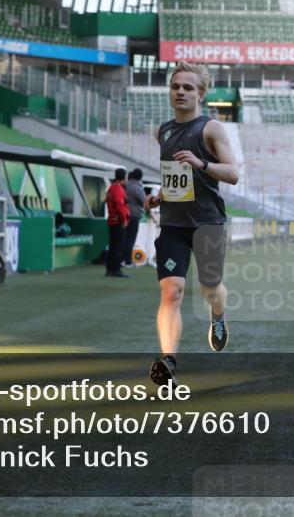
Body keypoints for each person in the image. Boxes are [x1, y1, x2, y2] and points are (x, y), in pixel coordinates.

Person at [145, 61, 239, 386]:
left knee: (210, 288)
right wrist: (159, 195)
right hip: (173, 225)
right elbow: (175, 177)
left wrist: (202, 163)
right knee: (172, 290)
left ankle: (218, 315)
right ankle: (168, 362)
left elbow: (233, 173)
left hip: (208, 223)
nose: (180, 92)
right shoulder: (163, 131)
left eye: (187, 87)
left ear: (200, 93)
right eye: (175, 86)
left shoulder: (210, 129)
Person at [105, 168, 129, 278]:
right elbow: (120, 205)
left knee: (112, 246)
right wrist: (124, 219)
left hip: (112, 220)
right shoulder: (118, 189)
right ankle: (115, 269)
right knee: (118, 246)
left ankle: (110, 269)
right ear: (124, 177)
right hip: (118, 221)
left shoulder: (111, 188)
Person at [123, 168, 146, 267]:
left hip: (123, 215)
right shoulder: (137, 187)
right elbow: (143, 201)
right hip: (134, 215)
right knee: (130, 238)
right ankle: (127, 261)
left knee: (123, 238)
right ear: (140, 177)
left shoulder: (125, 185)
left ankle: (121, 259)